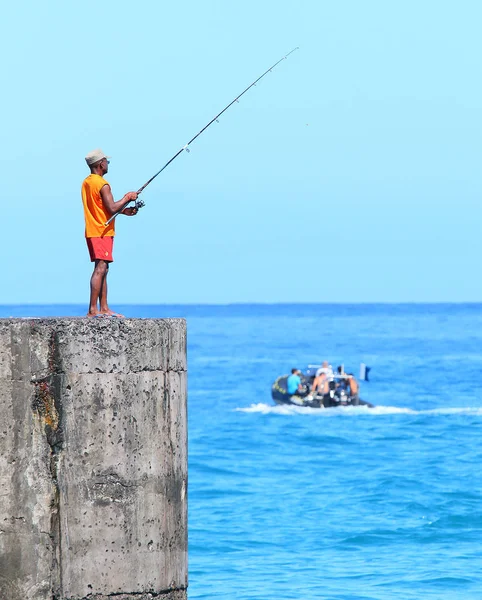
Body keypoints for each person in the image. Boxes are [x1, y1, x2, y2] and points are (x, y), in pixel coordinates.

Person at [81, 149, 139, 318]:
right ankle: (93, 310)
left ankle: (104, 308)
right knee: (100, 268)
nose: (108, 164)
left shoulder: (87, 182)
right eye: (107, 161)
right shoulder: (102, 184)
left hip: (94, 229)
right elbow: (112, 207)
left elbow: (102, 207)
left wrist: (124, 211)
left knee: (104, 267)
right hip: (102, 230)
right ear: (101, 164)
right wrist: (128, 197)